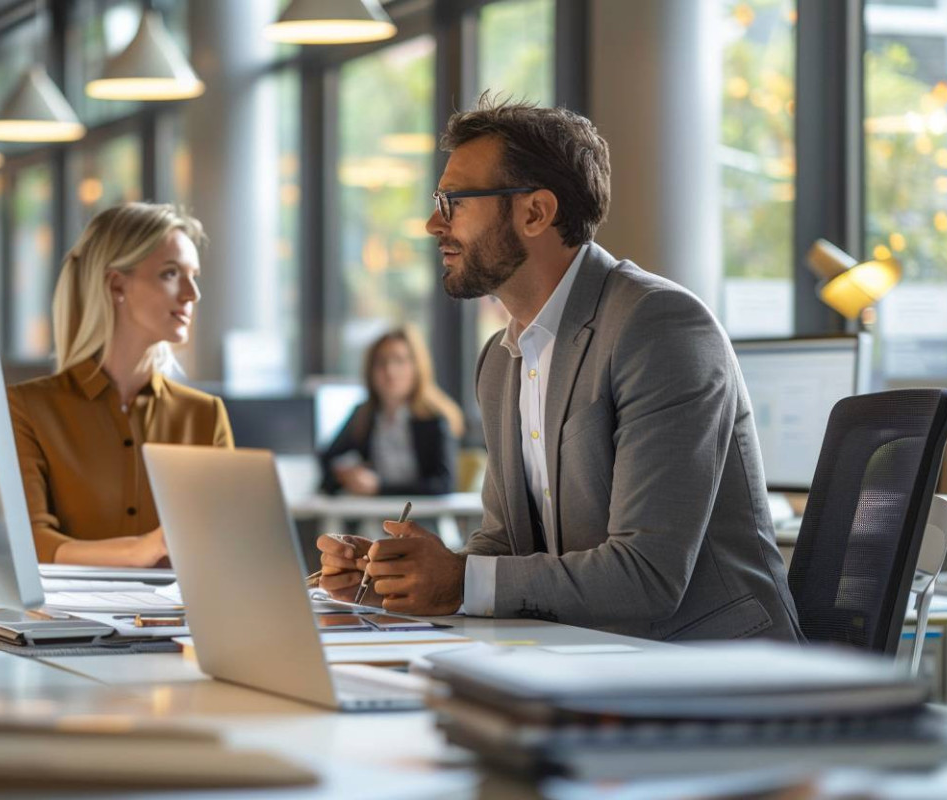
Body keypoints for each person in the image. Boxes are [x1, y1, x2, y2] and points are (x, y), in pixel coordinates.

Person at [317, 96, 801, 642]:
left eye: (454, 202)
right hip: (588, 654)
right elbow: (506, 547)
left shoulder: (659, 326)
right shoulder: (500, 360)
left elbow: (647, 576)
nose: (434, 224)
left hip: (712, 664)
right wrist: (397, 577)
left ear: (535, 213)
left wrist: (459, 581)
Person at [8, 202, 233, 566]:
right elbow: (31, 543)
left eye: (194, 276)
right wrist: (141, 549)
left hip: (180, 607)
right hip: (65, 606)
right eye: (171, 273)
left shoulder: (205, 415)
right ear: (116, 285)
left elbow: (227, 549)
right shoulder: (26, 408)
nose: (192, 293)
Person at [318, 326, 463, 496]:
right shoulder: (363, 415)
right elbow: (327, 461)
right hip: (374, 511)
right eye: (381, 363)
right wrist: (347, 476)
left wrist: (379, 488)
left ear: (417, 367)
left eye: (399, 361)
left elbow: (443, 484)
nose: (390, 371)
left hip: (421, 511)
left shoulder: (434, 418)